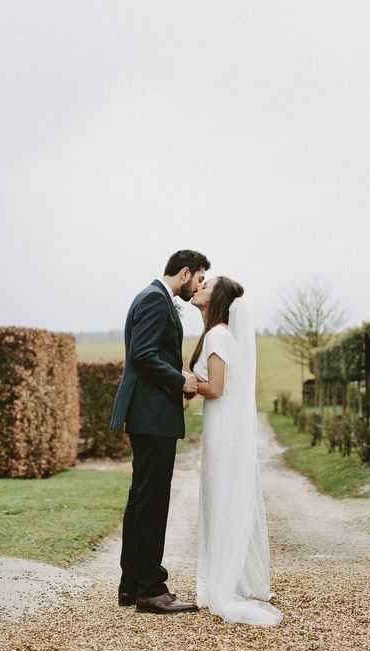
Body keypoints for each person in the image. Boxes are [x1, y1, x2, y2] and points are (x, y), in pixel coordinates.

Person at [110, 249, 209, 614]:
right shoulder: (155, 299)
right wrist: (180, 380)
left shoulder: (151, 296)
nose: (198, 285)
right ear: (185, 272)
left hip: (148, 414)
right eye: (199, 278)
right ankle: (151, 588)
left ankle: (131, 583)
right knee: (152, 501)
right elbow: (143, 354)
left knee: (141, 498)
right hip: (151, 415)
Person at [190, 276, 283, 626]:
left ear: (217, 298)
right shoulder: (219, 333)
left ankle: (222, 583)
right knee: (222, 497)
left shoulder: (217, 335)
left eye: (206, 285)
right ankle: (222, 576)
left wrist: (187, 383)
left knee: (220, 496)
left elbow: (215, 387)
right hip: (224, 424)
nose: (198, 287)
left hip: (222, 427)